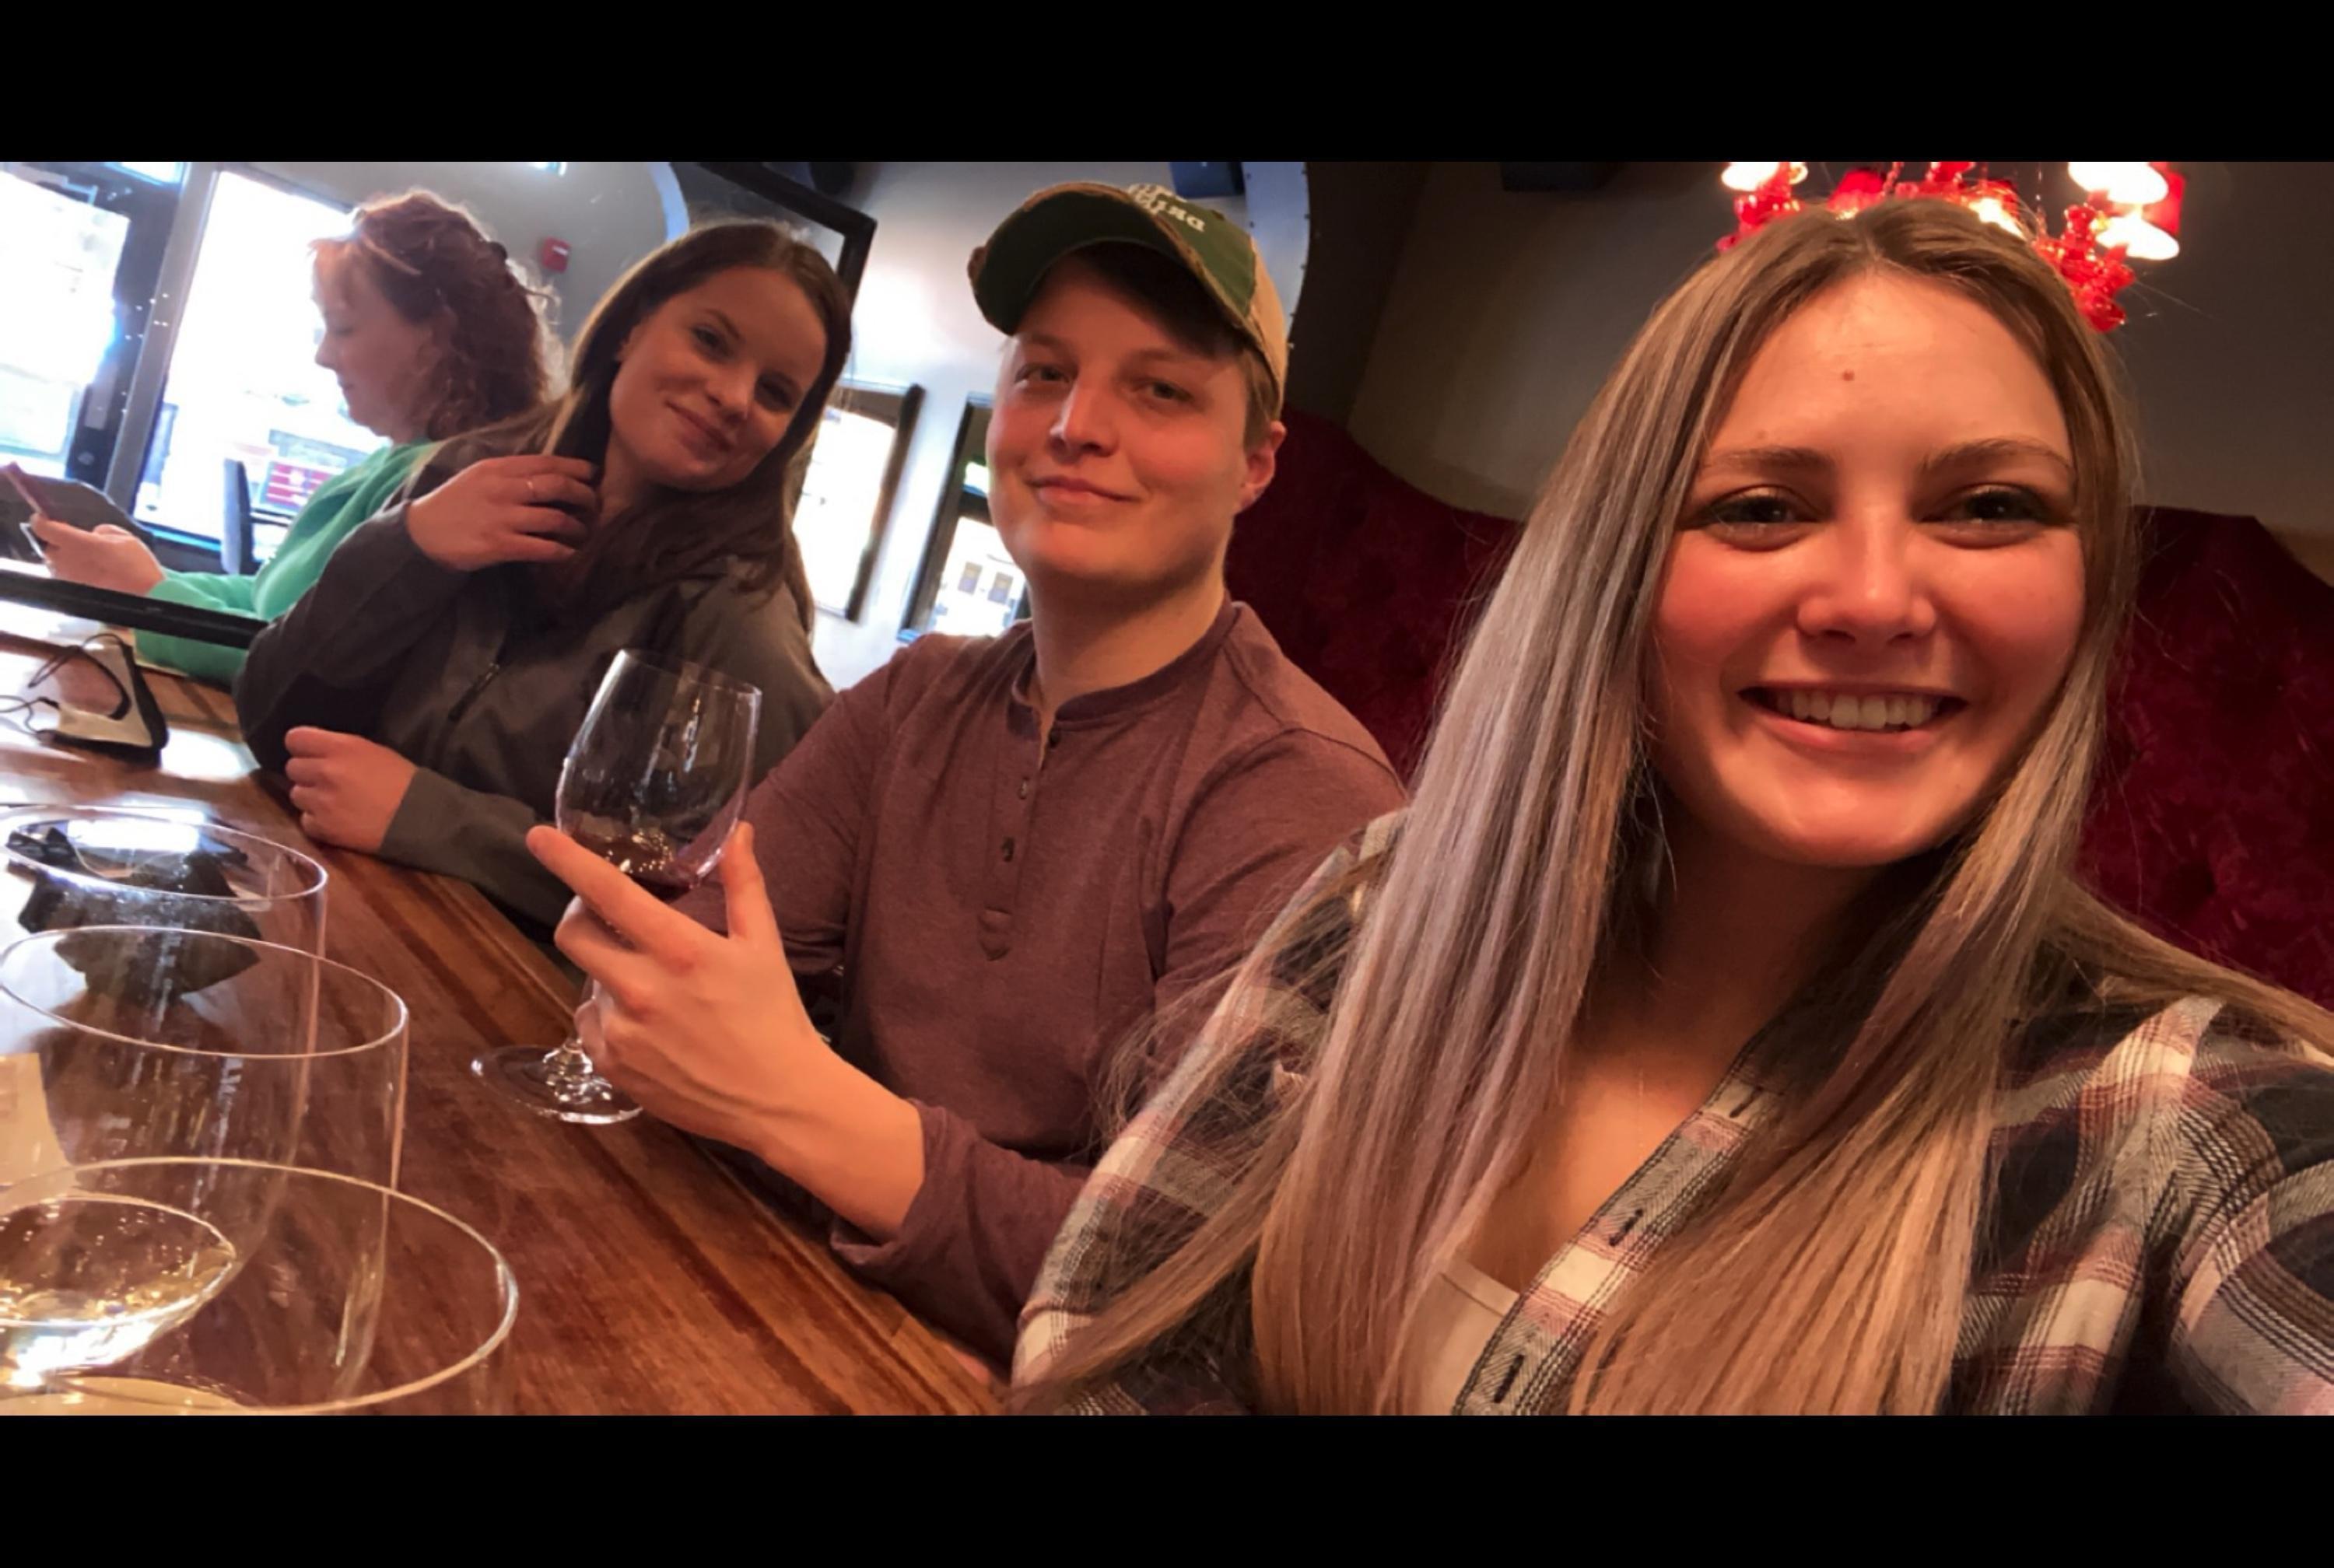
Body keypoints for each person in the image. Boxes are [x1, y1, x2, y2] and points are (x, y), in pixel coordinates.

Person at [1012, 194, 2334, 1416]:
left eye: (1990, 509)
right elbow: (1103, 1337)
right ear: (1617, 583)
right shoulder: (1378, 909)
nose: (1874, 599)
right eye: (1762, 508)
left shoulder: (2175, 1132)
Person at [527, 181, 1407, 1367]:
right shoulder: (915, 696)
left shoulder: (1305, 797)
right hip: (787, 1309)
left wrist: (795, 1103)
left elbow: (1182, 1294)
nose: (1076, 424)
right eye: (1045, 371)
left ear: (1257, 464)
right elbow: (684, 979)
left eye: (1159, 389)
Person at [237, 218, 846, 929]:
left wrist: (435, 821)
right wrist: (411, 544)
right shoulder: (468, 472)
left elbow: (715, 916)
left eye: (775, 392)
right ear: (631, 328)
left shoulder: (743, 617)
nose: (735, 397)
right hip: (333, 910)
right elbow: (271, 712)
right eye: (710, 341)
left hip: (513, 1000)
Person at [30, 191, 553, 684]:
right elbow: (269, 598)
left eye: (343, 328)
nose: (323, 355)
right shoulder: (390, 462)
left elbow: (288, 658)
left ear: (435, 337)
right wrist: (141, 576)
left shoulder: (438, 485)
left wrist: (145, 592)